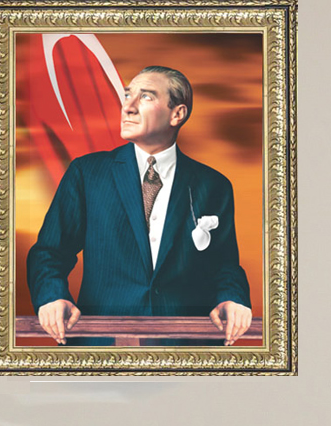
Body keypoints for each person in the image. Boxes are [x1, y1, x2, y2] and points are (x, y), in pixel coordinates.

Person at [26, 65, 254, 345]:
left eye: (145, 97)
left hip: (186, 348)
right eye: (127, 96)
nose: (128, 107)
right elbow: (50, 252)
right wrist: (52, 297)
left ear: (177, 114)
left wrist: (233, 298)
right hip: (102, 345)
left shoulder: (214, 184)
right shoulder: (87, 173)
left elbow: (224, 265)